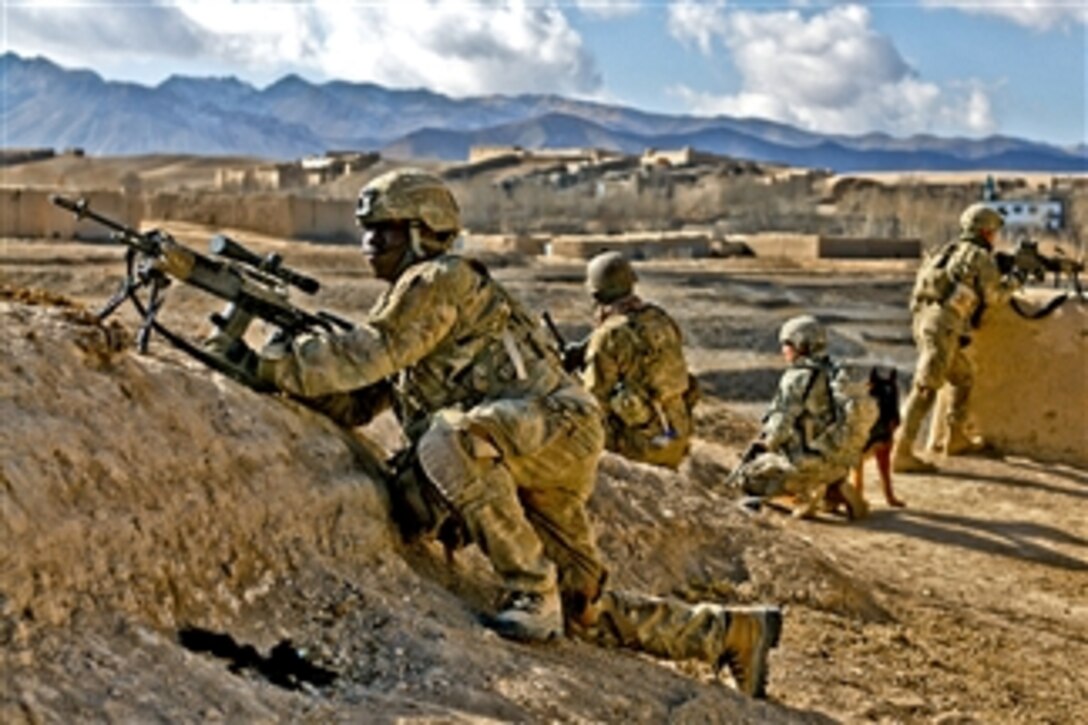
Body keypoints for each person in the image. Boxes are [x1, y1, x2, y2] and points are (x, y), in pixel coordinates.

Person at [252, 168, 783, 698]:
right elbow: (361, 397)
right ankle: (731, 632)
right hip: (521, 444)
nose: (369, 244)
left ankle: (529, 590)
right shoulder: (410, 301)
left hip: (551, 428)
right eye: (367, 230)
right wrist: (283, 371)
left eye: (383, 231)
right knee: (583, 603)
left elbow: (370, 352)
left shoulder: (440, 279)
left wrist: (275, 366)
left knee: (446, 439)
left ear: (421, 231)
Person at [892, 202, 1020, 473]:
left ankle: (957, 438)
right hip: (943, 327)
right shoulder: (978, 256)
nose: (995, 237)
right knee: (926, 387)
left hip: (927, 322)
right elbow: (995, 296)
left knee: (963, 377)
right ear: (986, 232)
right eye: (994, 231)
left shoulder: (945, 252)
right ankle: (901, 451)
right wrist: (1015, 281)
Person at [565, 251, 698, 470]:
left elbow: (595, 402)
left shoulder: (608, 336)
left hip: (643, 449)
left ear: (596, 296)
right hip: (677, 438)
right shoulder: (660, 318)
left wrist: (575, 376)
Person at [729, 315, 868, 520]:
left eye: (787, 344)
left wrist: (765, 446)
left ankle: (806, 492)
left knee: (746, 479)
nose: (783, 350)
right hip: (838, 464)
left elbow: (780, 427)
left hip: (803, 465)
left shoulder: (796, 378)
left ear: (801, 345)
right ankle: (834, 487)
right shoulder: (835, 372)